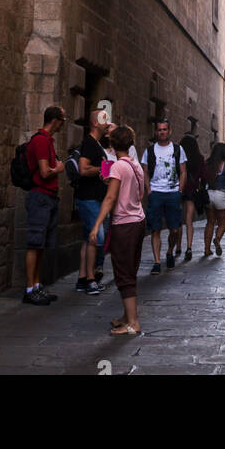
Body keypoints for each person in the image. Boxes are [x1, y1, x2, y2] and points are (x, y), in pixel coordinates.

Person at [90, 125, 146, 336]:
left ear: (112, 144)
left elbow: (110, 198)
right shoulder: (135, 166)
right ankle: (127, 316)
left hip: (124, 224)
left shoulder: (117, 167)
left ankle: (133, 322)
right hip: (138, 220)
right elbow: (136, 192)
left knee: (123, 273)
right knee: (129, 270)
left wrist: (96, 225)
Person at [23, 105, 66, 305]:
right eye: (62, 120)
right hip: (40, 197)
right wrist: (58, 168)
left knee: (41, 245)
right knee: (34, 243)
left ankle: (37, 285)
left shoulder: (48, 141)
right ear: (55, 120)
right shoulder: (40, 141)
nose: (63, 125)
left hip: (48, 197)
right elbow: (44, 172)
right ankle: (30, 289)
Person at [140, 119, 186, 275]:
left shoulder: (178, 149)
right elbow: (145, 172)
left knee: (174, 229)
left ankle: (170, 251)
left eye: (164, 129)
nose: (162, 132)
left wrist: (180, 190)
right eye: (159, 130)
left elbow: (183, 171)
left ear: (170, 131)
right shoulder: (149, 151)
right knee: (155, 229)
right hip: (156, 193)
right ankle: (157, 262)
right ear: (156, 132)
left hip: (173, 193)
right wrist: (149, 190)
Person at [75, 108, 111, 294]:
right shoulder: (89, 143)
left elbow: (102, 173)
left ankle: (81, 278)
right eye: (105, 119)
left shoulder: (97, 145)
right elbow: (83, 169)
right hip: (89, 199)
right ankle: (90, 279)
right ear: (96, 123)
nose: (108, 122)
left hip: (94, 198)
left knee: (86, 239)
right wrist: (100, 170)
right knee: (96, 238)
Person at [179, 133, 207, 262]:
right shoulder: (200, 158)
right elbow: (204, 176)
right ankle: (189, 247)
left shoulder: (179, 157)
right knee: (189, 221)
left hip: (179, 189)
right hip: (191, 191)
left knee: (178, 220)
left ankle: (178, 247)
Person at [204, 141, 225, 256]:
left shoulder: (208, 163)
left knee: (210, 222)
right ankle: (217, 239)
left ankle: (206, 249)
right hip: (221, 194)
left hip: (209, 194)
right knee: (222, 222)